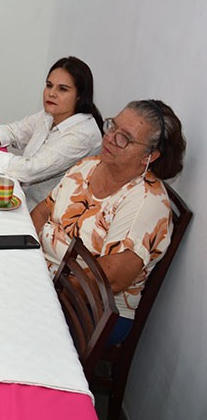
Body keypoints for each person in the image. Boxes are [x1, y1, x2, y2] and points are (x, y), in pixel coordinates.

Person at [31, 100, 185, 344]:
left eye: (125, 138)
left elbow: (111, 278)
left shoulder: (146, 204)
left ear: (150, 155)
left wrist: (46, 292)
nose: (111, 138)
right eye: (112, 127)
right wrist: (23, 258)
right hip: (45, 276)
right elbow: (42, 211)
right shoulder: (90, 166)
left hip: (90, 308)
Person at [0, 56, 103, 209]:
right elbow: (14, 131)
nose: (52, 93)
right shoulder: (50, 114)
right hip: (20, 195)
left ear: (80, 96)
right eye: (49, 85)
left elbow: (30, 169)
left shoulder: (83, 134)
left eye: (62, 89)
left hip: (42, 214)